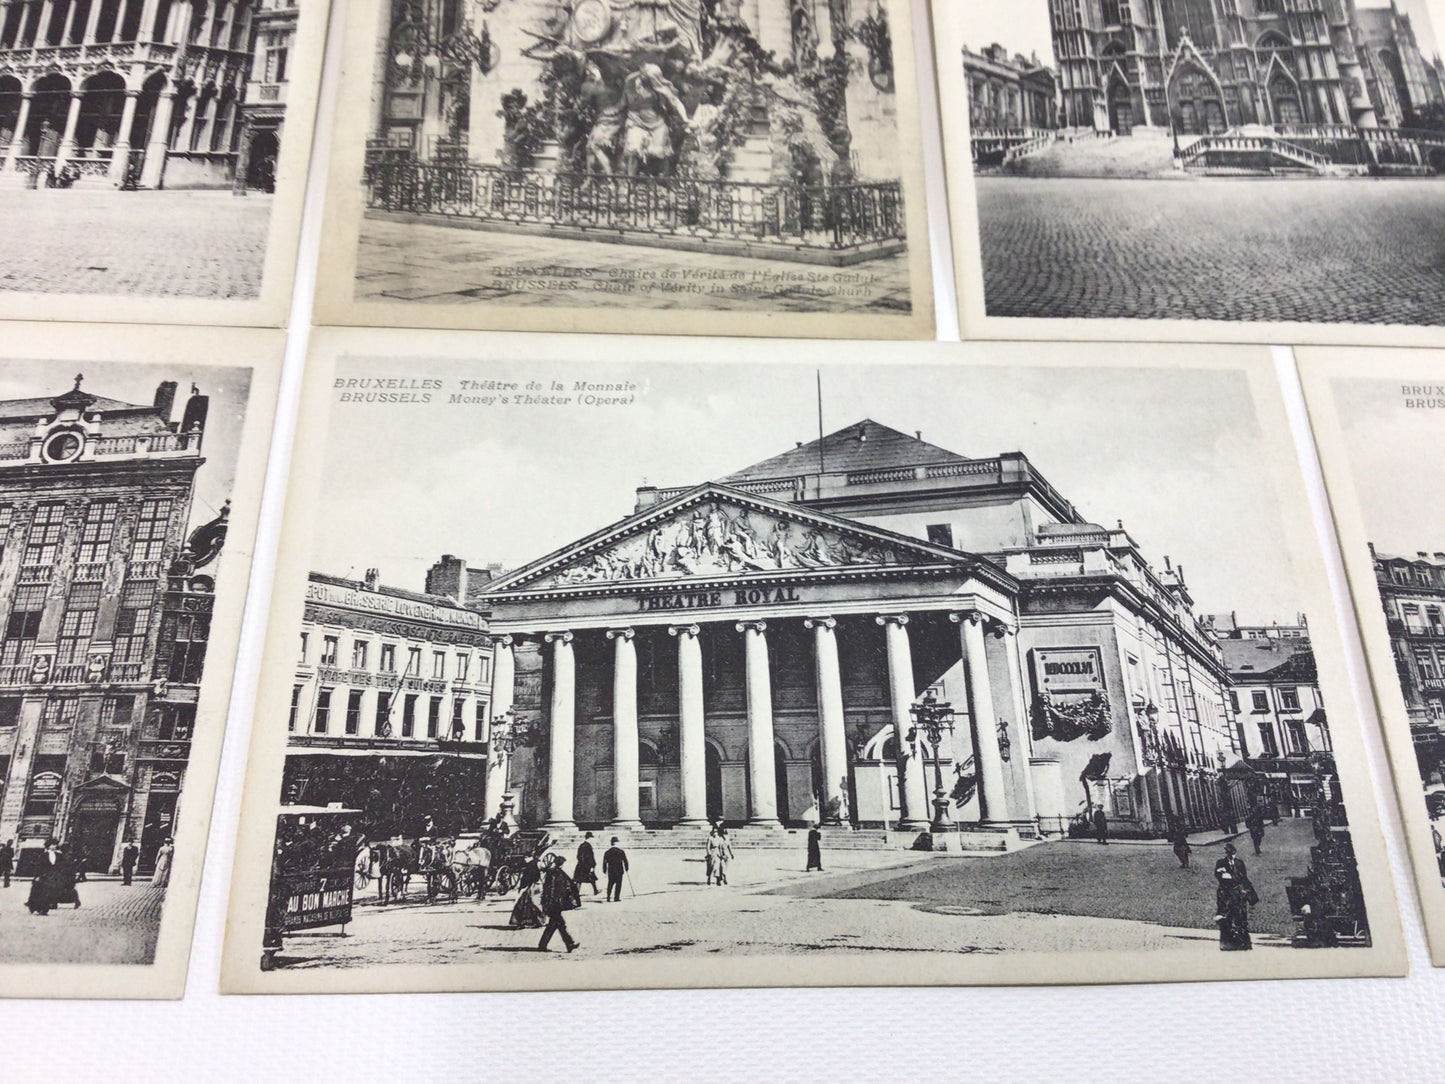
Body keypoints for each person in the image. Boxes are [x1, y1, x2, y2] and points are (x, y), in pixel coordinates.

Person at [1214, 843, 1256, 951]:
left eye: (1233, 853)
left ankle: (1244, 943)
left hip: (1238, 894)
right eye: (1229, 854)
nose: (1231, 856)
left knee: (1241, 918)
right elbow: (1217, 875)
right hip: (1226, 893)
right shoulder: (1221, 863)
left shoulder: (1239, 863)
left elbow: (1244, 878)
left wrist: (1249, 892)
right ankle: (1227, 943)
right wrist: (1223, 875)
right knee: (1226, 918)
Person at [538, 854, 580, 953]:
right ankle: (569, 944)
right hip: (554, 904)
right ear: (560, 864)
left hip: (555, 903)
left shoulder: (554, 873)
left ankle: (544, 945)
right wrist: (551, 903)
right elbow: (552, 889)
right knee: (559, 924)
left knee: (555, 925)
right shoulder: (555, 874)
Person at [509, 855, 544, 928]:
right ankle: (534, 921)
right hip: (531, 886)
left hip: (531, 887)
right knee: (529, 904)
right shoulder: (532, 864)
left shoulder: (532, 865)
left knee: (526, 904)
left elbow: (528, 878)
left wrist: (523, 887)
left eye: (526, 858)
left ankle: (526, 922)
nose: (525, 860)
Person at [602, 836, 629, 902]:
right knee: (618, 884)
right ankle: (616, 898)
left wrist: (604, 870)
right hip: (619, 870)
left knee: (610, 883)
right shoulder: (621, 851)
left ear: (611, 843)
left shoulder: (607, 852)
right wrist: (626, 868)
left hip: (611, 870)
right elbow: (625, 860)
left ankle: (608, 897)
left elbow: (604, 862)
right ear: (617, 843)